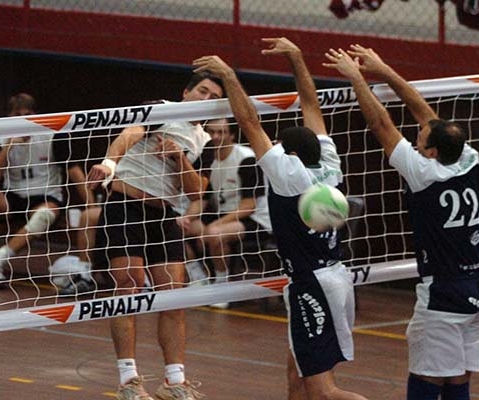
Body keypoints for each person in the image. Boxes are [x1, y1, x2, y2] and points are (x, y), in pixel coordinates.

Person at [193, 38, 367, 400]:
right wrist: (297, 58)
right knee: (296, 376)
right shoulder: (329, 164)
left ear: (287, 154)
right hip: (333, 277)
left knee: (321, 391)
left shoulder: (288, 175)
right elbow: (310, 105)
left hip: (312, 286)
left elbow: (249, 121)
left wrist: (228, 76)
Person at [324, 45, 479, 400]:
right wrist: (383, 69)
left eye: (420, 141)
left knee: (427, 380)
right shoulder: (468, 158)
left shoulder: (422, 172)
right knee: (458, 379)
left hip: (444, 293)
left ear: (431, 152)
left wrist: (356, 77)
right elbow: (427, 116)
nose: (416, 141)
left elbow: (381, 123)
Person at [87, 71, 224, 400]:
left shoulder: (204, 140)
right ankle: (128, 381)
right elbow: (130, 132)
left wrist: (178, 157)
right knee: (128, 286)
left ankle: (174, 382)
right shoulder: (162, 109)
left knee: (174, 297)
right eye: (202, 91)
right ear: (186, 93)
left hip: (164, 216)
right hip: (126, 206)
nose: (205, 100)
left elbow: (196, 192)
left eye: (213, 97)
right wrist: (108, 163)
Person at [0, 93, 90, 285]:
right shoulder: (0, 136)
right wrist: (8, 147)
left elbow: (74, 171)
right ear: (9, 117)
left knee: (44, 215)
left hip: (46, 196)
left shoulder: (52, 133)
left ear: (36, 114)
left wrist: (92, 204)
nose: (24, 119)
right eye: (17, 115)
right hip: (13, 196)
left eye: (28, 113)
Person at [181, 117, 271, 307]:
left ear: (231, 135)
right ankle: (198, 277)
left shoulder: (246, 159)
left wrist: (216, 225)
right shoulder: (207, 159)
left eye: (221, 132)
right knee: (176, 228)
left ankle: (222, 288)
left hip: (256, 218)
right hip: (223, 214)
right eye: (212, 132)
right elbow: (202, 199)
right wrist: (186, 218)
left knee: (215, 233)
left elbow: (249, 205)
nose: (215, 136)